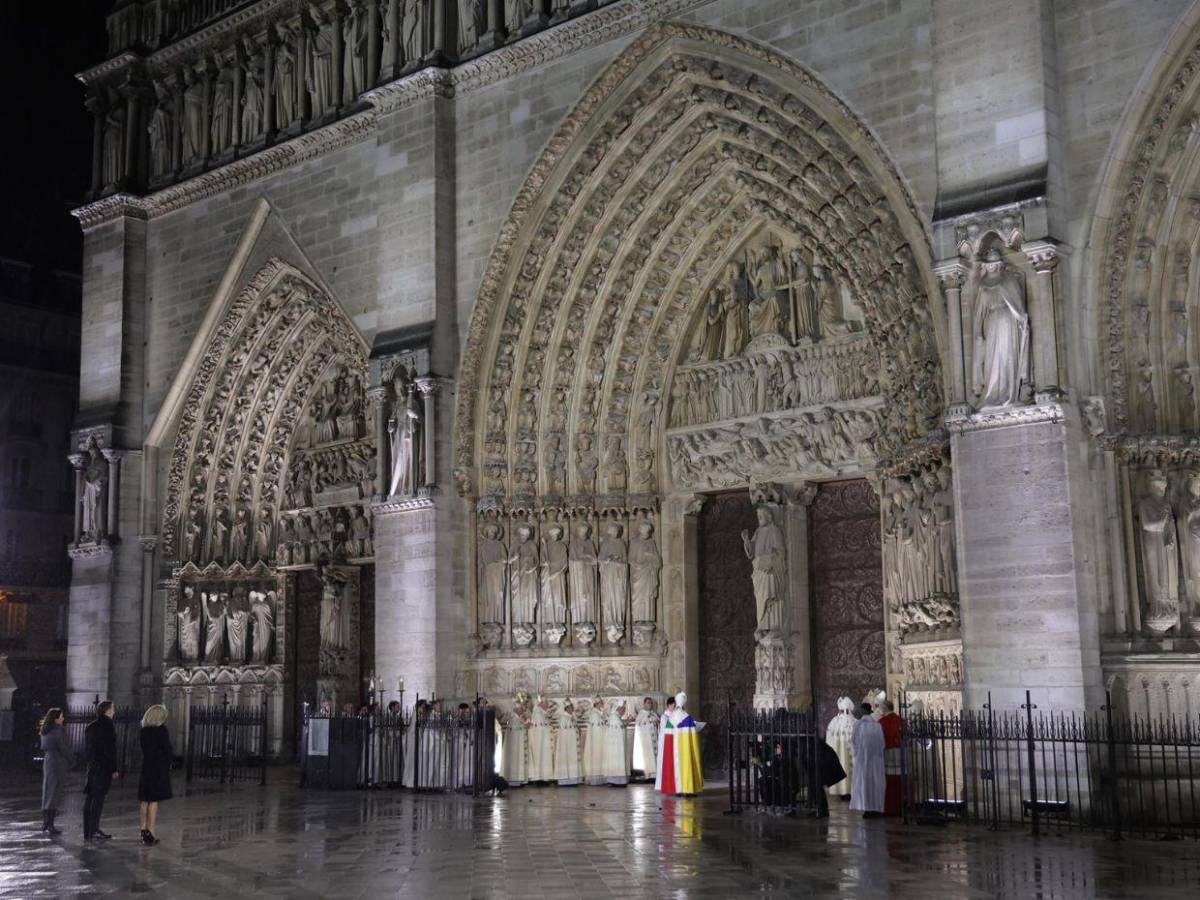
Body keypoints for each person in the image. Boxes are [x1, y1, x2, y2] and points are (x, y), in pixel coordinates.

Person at [83, 700, 119, 841]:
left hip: (92, 767)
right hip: (103, 768)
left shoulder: (91, 726)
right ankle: (94, 830)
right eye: (113, 709)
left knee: (90, 799)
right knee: (98, 800)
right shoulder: (108, 726)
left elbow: (88, 749)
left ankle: (88, 831)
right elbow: (109, 750)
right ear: (107, 711)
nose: (114, 712)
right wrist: (113, 768)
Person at [138, 705, 173, 845]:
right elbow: (167, 749)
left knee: (144, 799)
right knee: (153, 800)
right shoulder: (161, 730)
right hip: (158, 768)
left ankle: (143, 828)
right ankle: (151, 831)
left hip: (146, 766)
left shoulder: (144, 731)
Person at [39, 708, 75, 836]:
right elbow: (63, 747)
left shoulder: (45, 730)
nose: (63, 718)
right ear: (56, 718)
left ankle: (45, 822)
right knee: (55, 791)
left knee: (47, 790)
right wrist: (72, 759)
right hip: (57, 761)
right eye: (61, 716)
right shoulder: (58, 731)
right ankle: (50, 824)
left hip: (48, 760)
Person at [850, 702, 885, 818]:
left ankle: (867, 808)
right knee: (875, 783)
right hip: (876, 761)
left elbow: (853, 741)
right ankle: (875, 808)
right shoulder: (877, 725)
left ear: (864, 710)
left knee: (865, 784)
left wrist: (857, 754)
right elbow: (882, 744)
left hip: (863, 759)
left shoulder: (858, 725)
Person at [672, 693, 703, 797]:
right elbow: (692, 731)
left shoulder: (672, 716)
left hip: (675, 746)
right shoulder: (686, 717)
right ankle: (687, 789)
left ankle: (678, 789)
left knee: (677, 766)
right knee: (687, 764)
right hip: (685, 746)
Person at [877, 699, 904, 816]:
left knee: (889, 781)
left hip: (888, 753)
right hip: (901, 753)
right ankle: (901, 806)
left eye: (880, 707)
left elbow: (879, 739)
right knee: (900, 780)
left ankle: (889, 807)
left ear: (884, 708)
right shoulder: (901, 720)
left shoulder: (882, 722)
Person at [654, 695, 677, 794]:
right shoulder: (664, 716)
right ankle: (661, 784)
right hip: (665, 743)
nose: (675, 708)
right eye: (673, 706)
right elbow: (668, 727)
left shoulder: (675, 715)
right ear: (668, 705)